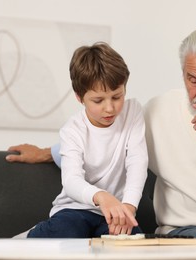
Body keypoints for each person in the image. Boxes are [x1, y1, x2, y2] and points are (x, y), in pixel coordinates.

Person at [6, 27, 196, 259]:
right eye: (192, 80)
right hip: (190, 230)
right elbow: (101, 141)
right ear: (182, 74)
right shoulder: (155, 112)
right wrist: (46, 153)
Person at [23, 42, 148, 238]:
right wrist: (101, 196)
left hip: (114, 213)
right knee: (68, 231)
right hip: (75, 209)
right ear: (79, 97)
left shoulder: (133, 112)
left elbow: (137, 161)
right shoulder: (72, 130)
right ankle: (30, 237)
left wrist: (129, 206)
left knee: (132, 240)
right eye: (98, 101)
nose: (110, 108)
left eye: (117, 97)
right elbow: (71, 180)